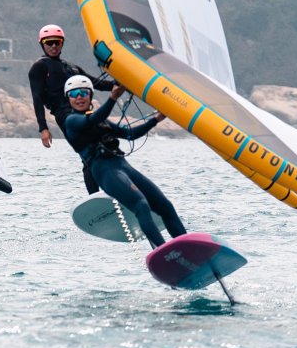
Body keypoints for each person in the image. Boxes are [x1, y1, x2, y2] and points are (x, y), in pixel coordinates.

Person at [61, 75, 187, 249]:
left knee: (166, 207)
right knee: (140, 205)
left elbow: (130, 134)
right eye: (74, 94)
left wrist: (155, 119)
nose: (79, 97)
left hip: (123, 166)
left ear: (90, 95)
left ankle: (187, 248)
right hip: (105, 172)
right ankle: (164, 251)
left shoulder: (102, 121)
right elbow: (92, 120)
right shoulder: (72, 120)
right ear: (68, 98)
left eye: (83, 92)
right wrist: (113, 97)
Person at [28, 24, 115, 193]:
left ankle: (110, 193)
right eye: (49, 42)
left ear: (62, 43)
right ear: (42, 44)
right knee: (88, 155)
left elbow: (97, 84)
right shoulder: (39, 67)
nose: (53, 46)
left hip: (85, 113)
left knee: (104, 148)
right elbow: (37, 98)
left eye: (57, 42)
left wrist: (121, 84)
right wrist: (43, 128)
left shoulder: (71, 67)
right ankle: (95, 198)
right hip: (64, 114)